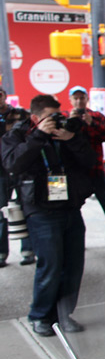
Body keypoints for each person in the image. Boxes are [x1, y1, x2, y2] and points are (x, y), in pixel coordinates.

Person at [1, 94, 95, 336]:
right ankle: (41, 315)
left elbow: (89, 160)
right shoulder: (18, 135)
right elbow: (13, 164)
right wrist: (39, 136)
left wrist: (72, 138)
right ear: (35, 117)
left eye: (58, 115)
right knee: (50, 264)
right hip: (40, 209)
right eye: (49, 117)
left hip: (69, 205)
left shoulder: (65, 132)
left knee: (73, 265)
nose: (55, 121)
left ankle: (64, 314)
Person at [68, 86, 105, 248]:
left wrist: (91, 123)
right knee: (74, 208)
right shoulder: (66, 117)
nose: (79, 101)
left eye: (82, 97)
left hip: (96, 169)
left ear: (87, 99)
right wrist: (70, 123)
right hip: (76, 171)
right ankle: (78, 239)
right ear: (70, 100)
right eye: (76, 98)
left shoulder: (97, 116)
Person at [0, 88, 35, 267]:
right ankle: (1, 253)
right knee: (1, 212)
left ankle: (28, 250)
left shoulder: (20, 115)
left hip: (20, 167)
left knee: (26, 207)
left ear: (5, 97)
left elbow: (30, 136)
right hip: (1, 172)